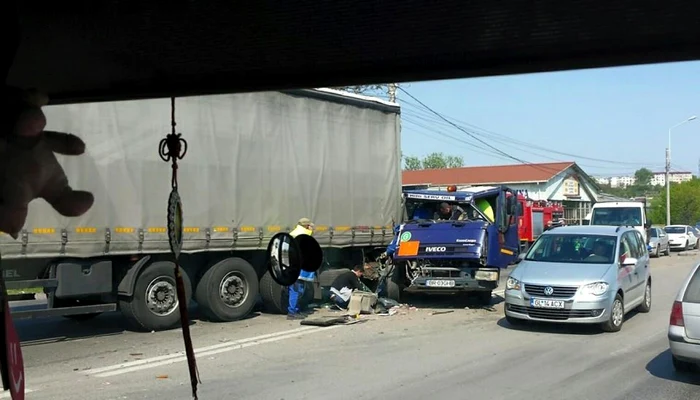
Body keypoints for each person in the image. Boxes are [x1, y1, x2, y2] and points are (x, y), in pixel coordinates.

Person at [0, 87, 94, 237]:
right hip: (39, 185)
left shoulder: (40, 139)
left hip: (37, 184)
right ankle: (61, 199)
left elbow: (72, 145)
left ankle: (62, 199)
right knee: (17, 202)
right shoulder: (34, 140)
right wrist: (74, 146)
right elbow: (71, 145)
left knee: (17, 201)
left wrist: (74, 146)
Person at [287, 217, 316, 320]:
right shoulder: (304, 235)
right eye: (309, 226)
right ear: (306, 226)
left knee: (297, 290)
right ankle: (292, 312)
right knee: (296, 290)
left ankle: (296, 310)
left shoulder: (294, 233)